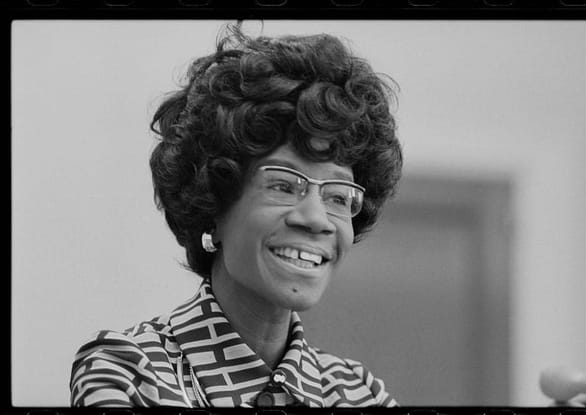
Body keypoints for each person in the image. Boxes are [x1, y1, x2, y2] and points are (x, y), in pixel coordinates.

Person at [69, 23, 403, 408]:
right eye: (282, 185)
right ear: (213, 206)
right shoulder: (128, 371)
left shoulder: (358, 393)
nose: (316, 218)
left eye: (338, 195)